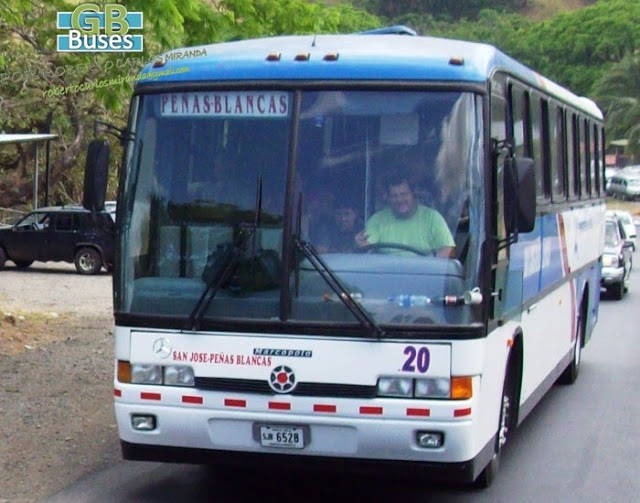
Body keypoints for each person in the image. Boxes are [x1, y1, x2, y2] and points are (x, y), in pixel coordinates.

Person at [355, 174, 455, 257]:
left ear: (413, 194)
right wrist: (362, 246)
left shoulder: (432, 218)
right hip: (386, 275)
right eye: (394, 196)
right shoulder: (377, 219)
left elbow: (447, 249)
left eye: (404, 194)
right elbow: (368, 246)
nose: (400, 200)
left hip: (423, 276)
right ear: (388, 198)